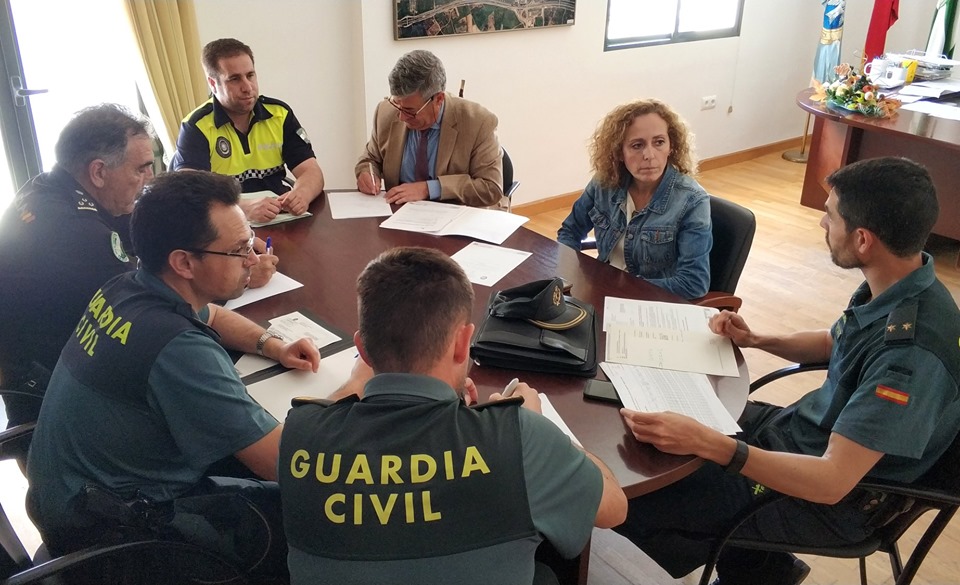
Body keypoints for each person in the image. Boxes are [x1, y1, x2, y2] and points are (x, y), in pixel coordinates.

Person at [613, 157, 960, 585]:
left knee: (630, 497)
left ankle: (750, 565)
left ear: (863, 240)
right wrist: (757, 339)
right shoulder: (902, 281)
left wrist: (712, 445)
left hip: (834, 501)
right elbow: (836, 342)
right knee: (651, 430)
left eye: (831, 215)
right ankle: (764, 570)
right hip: (803, 435)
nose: (822, 223)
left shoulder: (909, 356)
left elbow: (832, 482)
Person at [25, 170, 324, 581]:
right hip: (111, 534)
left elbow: (210, 314)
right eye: (240, 250)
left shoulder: (126, 287)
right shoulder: (177, 349)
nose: (253, 260)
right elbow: (287, 463)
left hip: (66, 493)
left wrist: (271, 344)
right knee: (311, 520)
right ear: (183, 262)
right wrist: (352, 390)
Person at [278, 247, 627, 585]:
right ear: (463, 343)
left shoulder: (301, 433)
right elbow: (614, 508)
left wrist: (356, 382)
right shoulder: (520, 437)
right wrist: (537, 428)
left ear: (363, 350)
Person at [0, 104, 153, 425]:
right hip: (51, 387)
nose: (148, 179)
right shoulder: (76, 231)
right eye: (140, 169)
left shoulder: (49, 186)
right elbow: (153, 304)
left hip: (32, 358)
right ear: (98, 172)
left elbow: (128, 223)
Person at [557, 99, 712, 300]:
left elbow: (694, 282)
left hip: (651, 302)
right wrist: (567, 276)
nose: (649, 155)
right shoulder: (604, 184)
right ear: (619, 152)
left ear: (671, 146)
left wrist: (619, 288)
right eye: (637, 145)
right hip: (603, 293)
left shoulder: (692, 201)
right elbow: (570, 231)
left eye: (659, 142)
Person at [171, 38, 325, 223]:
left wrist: (302, 194)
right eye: (234, 79)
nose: (247, 87)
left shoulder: (279, 114)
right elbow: (188, 193)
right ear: (213, 83)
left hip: (280, 218)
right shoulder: (196, 126)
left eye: (250, 75)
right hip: (225, 226)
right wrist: (242, 208)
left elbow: (311, 171)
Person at [355, 50, 503, 208]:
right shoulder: (386, 112)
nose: (401, 117)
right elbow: (370, 159)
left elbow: (490, 188)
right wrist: (366, 173)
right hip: (399, 215)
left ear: (438, 99)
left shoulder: (478, 122)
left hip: (455, 216)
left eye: (410, 111)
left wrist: (429, 189)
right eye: (397, 104)